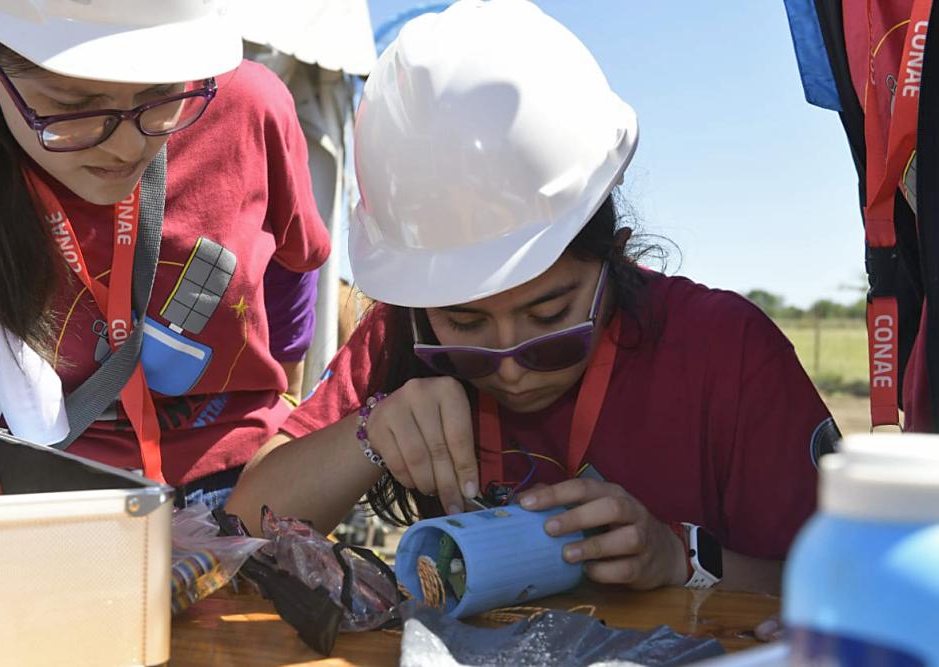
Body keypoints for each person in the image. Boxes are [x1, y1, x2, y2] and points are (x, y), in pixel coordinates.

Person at [227, 0, 836, 594]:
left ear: (613, 256)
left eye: (550, 319)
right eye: (464, 326)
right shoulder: (402, 334)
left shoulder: (726, 351)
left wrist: (679, 560)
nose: (513, 367)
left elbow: (846, 581)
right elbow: (246, 523)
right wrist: (370, 432)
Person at [0, 0, 330, 505]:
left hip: (244, 479)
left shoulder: (248, 109)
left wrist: (286, 415)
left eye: (161, 94)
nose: (126, 147)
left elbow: (292, 264)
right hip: (42, 494)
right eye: (76, 104)